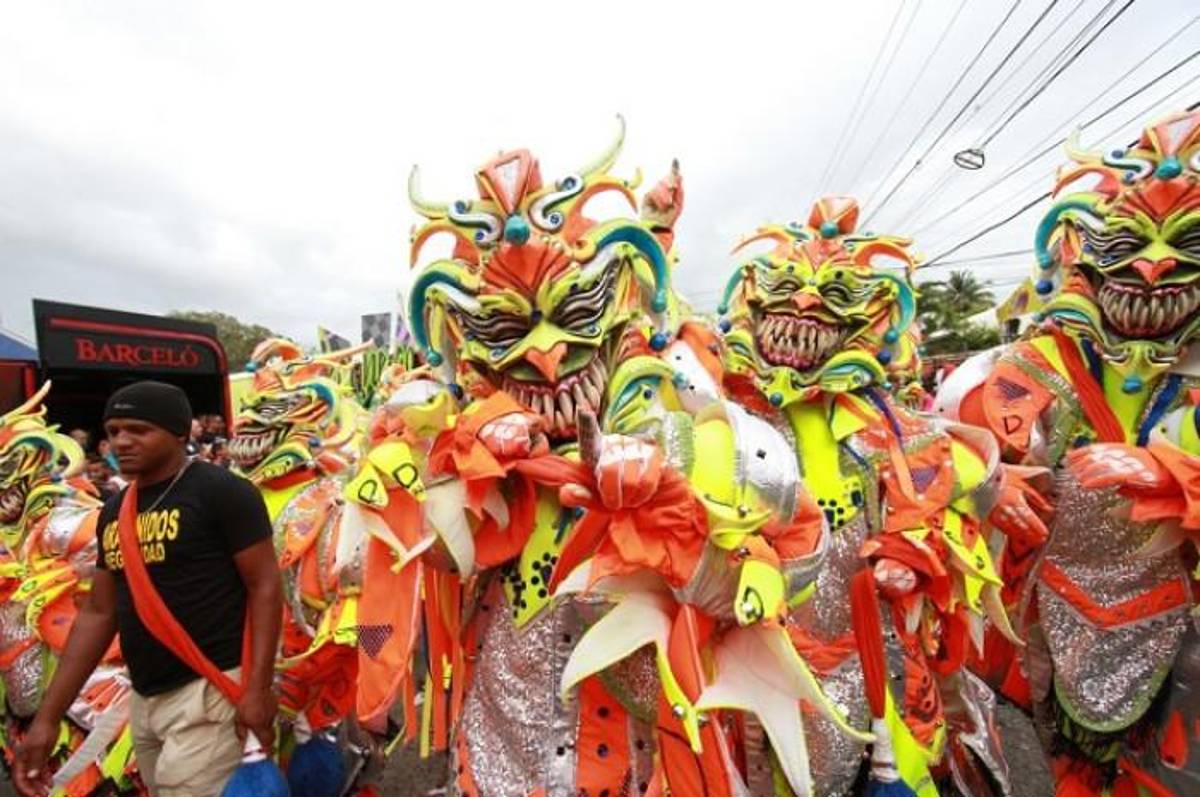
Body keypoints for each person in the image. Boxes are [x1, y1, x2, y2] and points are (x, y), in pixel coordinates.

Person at [14, 380, 283, 797]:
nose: (120, 441)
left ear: (178, 433)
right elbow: (100, 613)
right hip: (145, 698)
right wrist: (47, 717)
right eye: (114, 430)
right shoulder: (115, 509)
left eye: (138, 429)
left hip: (210, 692)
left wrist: (257, 689)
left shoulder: (221, 491)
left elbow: (265, 586)